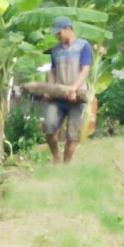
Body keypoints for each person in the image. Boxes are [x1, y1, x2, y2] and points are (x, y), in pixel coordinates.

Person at [43, 16, 92, 163]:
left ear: (68, 29)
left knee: (73, 135)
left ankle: (66, 164)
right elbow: (53, 71)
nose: (58, 36)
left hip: (77, 97)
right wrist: (49, 88)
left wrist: (73, 89)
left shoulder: (84, 46)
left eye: (59, 33)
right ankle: (56, 156)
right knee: (49, 127)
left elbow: (85, 70)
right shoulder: (55, 50)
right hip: (58, 96)